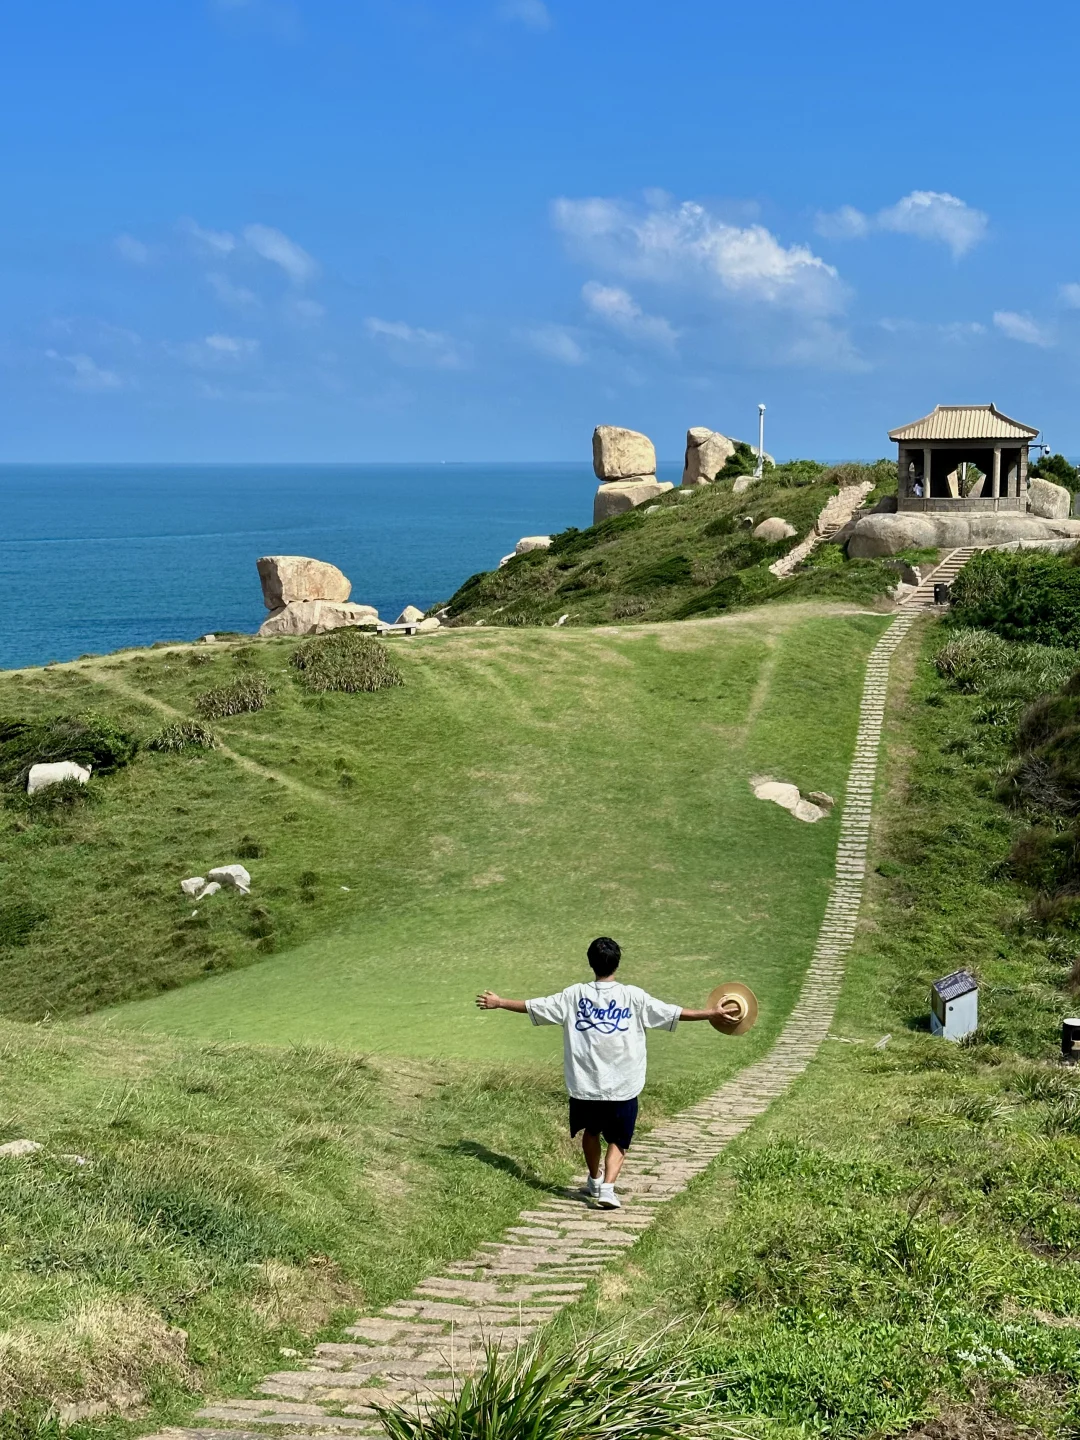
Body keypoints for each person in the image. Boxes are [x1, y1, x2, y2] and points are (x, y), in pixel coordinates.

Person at [475, 936, 742, 1210]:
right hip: (624, 1085)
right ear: (617, 964)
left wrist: (500, 1002)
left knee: (591, 1132)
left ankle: (594, 1179)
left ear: (591, 963)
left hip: (584, 1084)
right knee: (619, 1139)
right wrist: (710, 1013)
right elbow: (673, 1013)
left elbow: (535, 1006)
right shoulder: (633, 997)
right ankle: (607, 1188)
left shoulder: (573, 995)